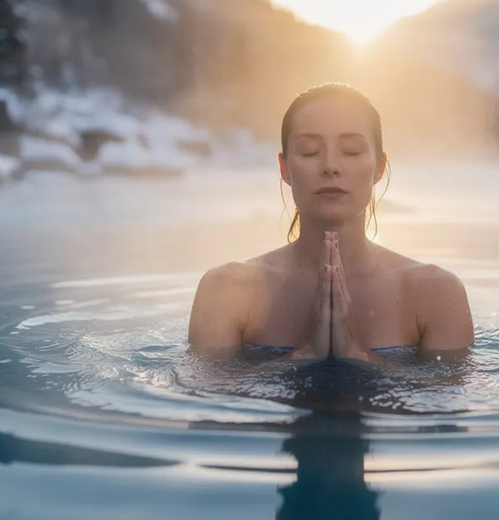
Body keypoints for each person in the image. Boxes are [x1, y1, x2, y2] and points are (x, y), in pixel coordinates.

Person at [187, 82, 474, 364]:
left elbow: (448, 399)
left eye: (350, 150)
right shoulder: (226, 291)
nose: (330, 165)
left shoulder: (436, 293)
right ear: (285, 168)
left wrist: (355, 355)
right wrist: (304, 355)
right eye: (310, 150)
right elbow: (206, 396)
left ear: (379, 168)